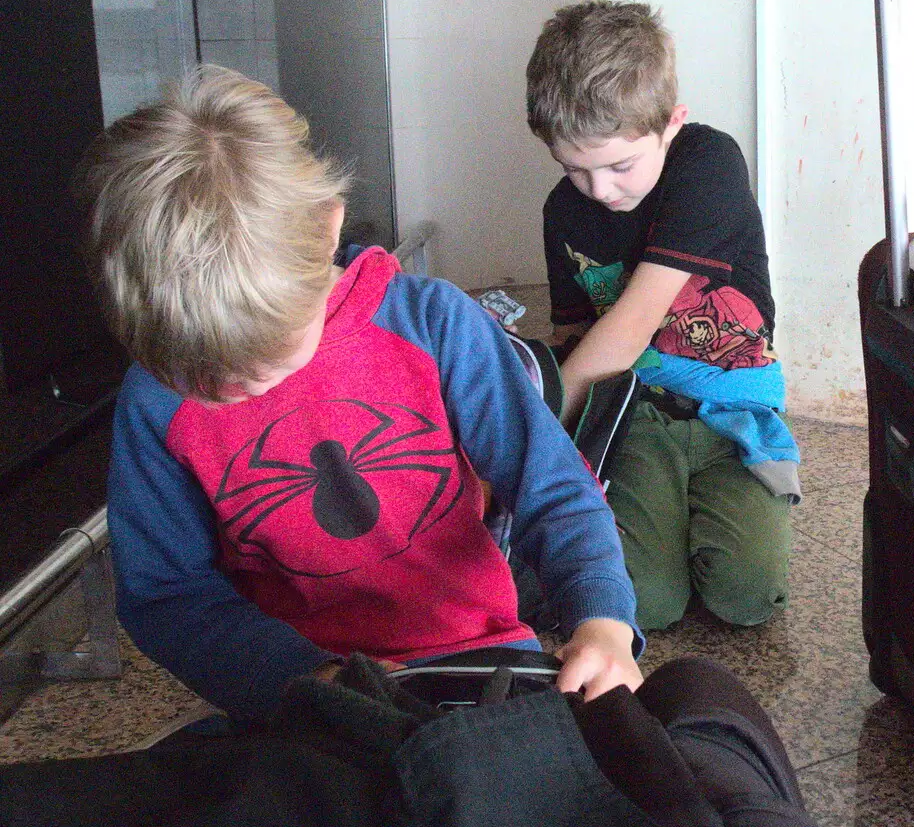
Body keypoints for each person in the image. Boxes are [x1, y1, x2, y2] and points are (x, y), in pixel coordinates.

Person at [85, 66, 641, 722]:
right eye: (203, 374)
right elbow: (168, 593)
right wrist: (306, 675)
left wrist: (603, 620)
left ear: (327, 229)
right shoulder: (156, 398)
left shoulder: (432, 324)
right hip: (295, 687)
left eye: (265, 354)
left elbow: (553, 486)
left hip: (473, 654)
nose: (238, 386)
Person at [526, 0, 798, 632]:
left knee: (746, 597)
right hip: (636, 418)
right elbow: (578, 340)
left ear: (670, 124)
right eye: (574, 168)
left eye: (620, 165)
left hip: (734, 419)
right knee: (648, 604)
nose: (599, 190)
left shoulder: (708, 163)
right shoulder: (562, 212)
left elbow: (630, 325)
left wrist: (523, 442)